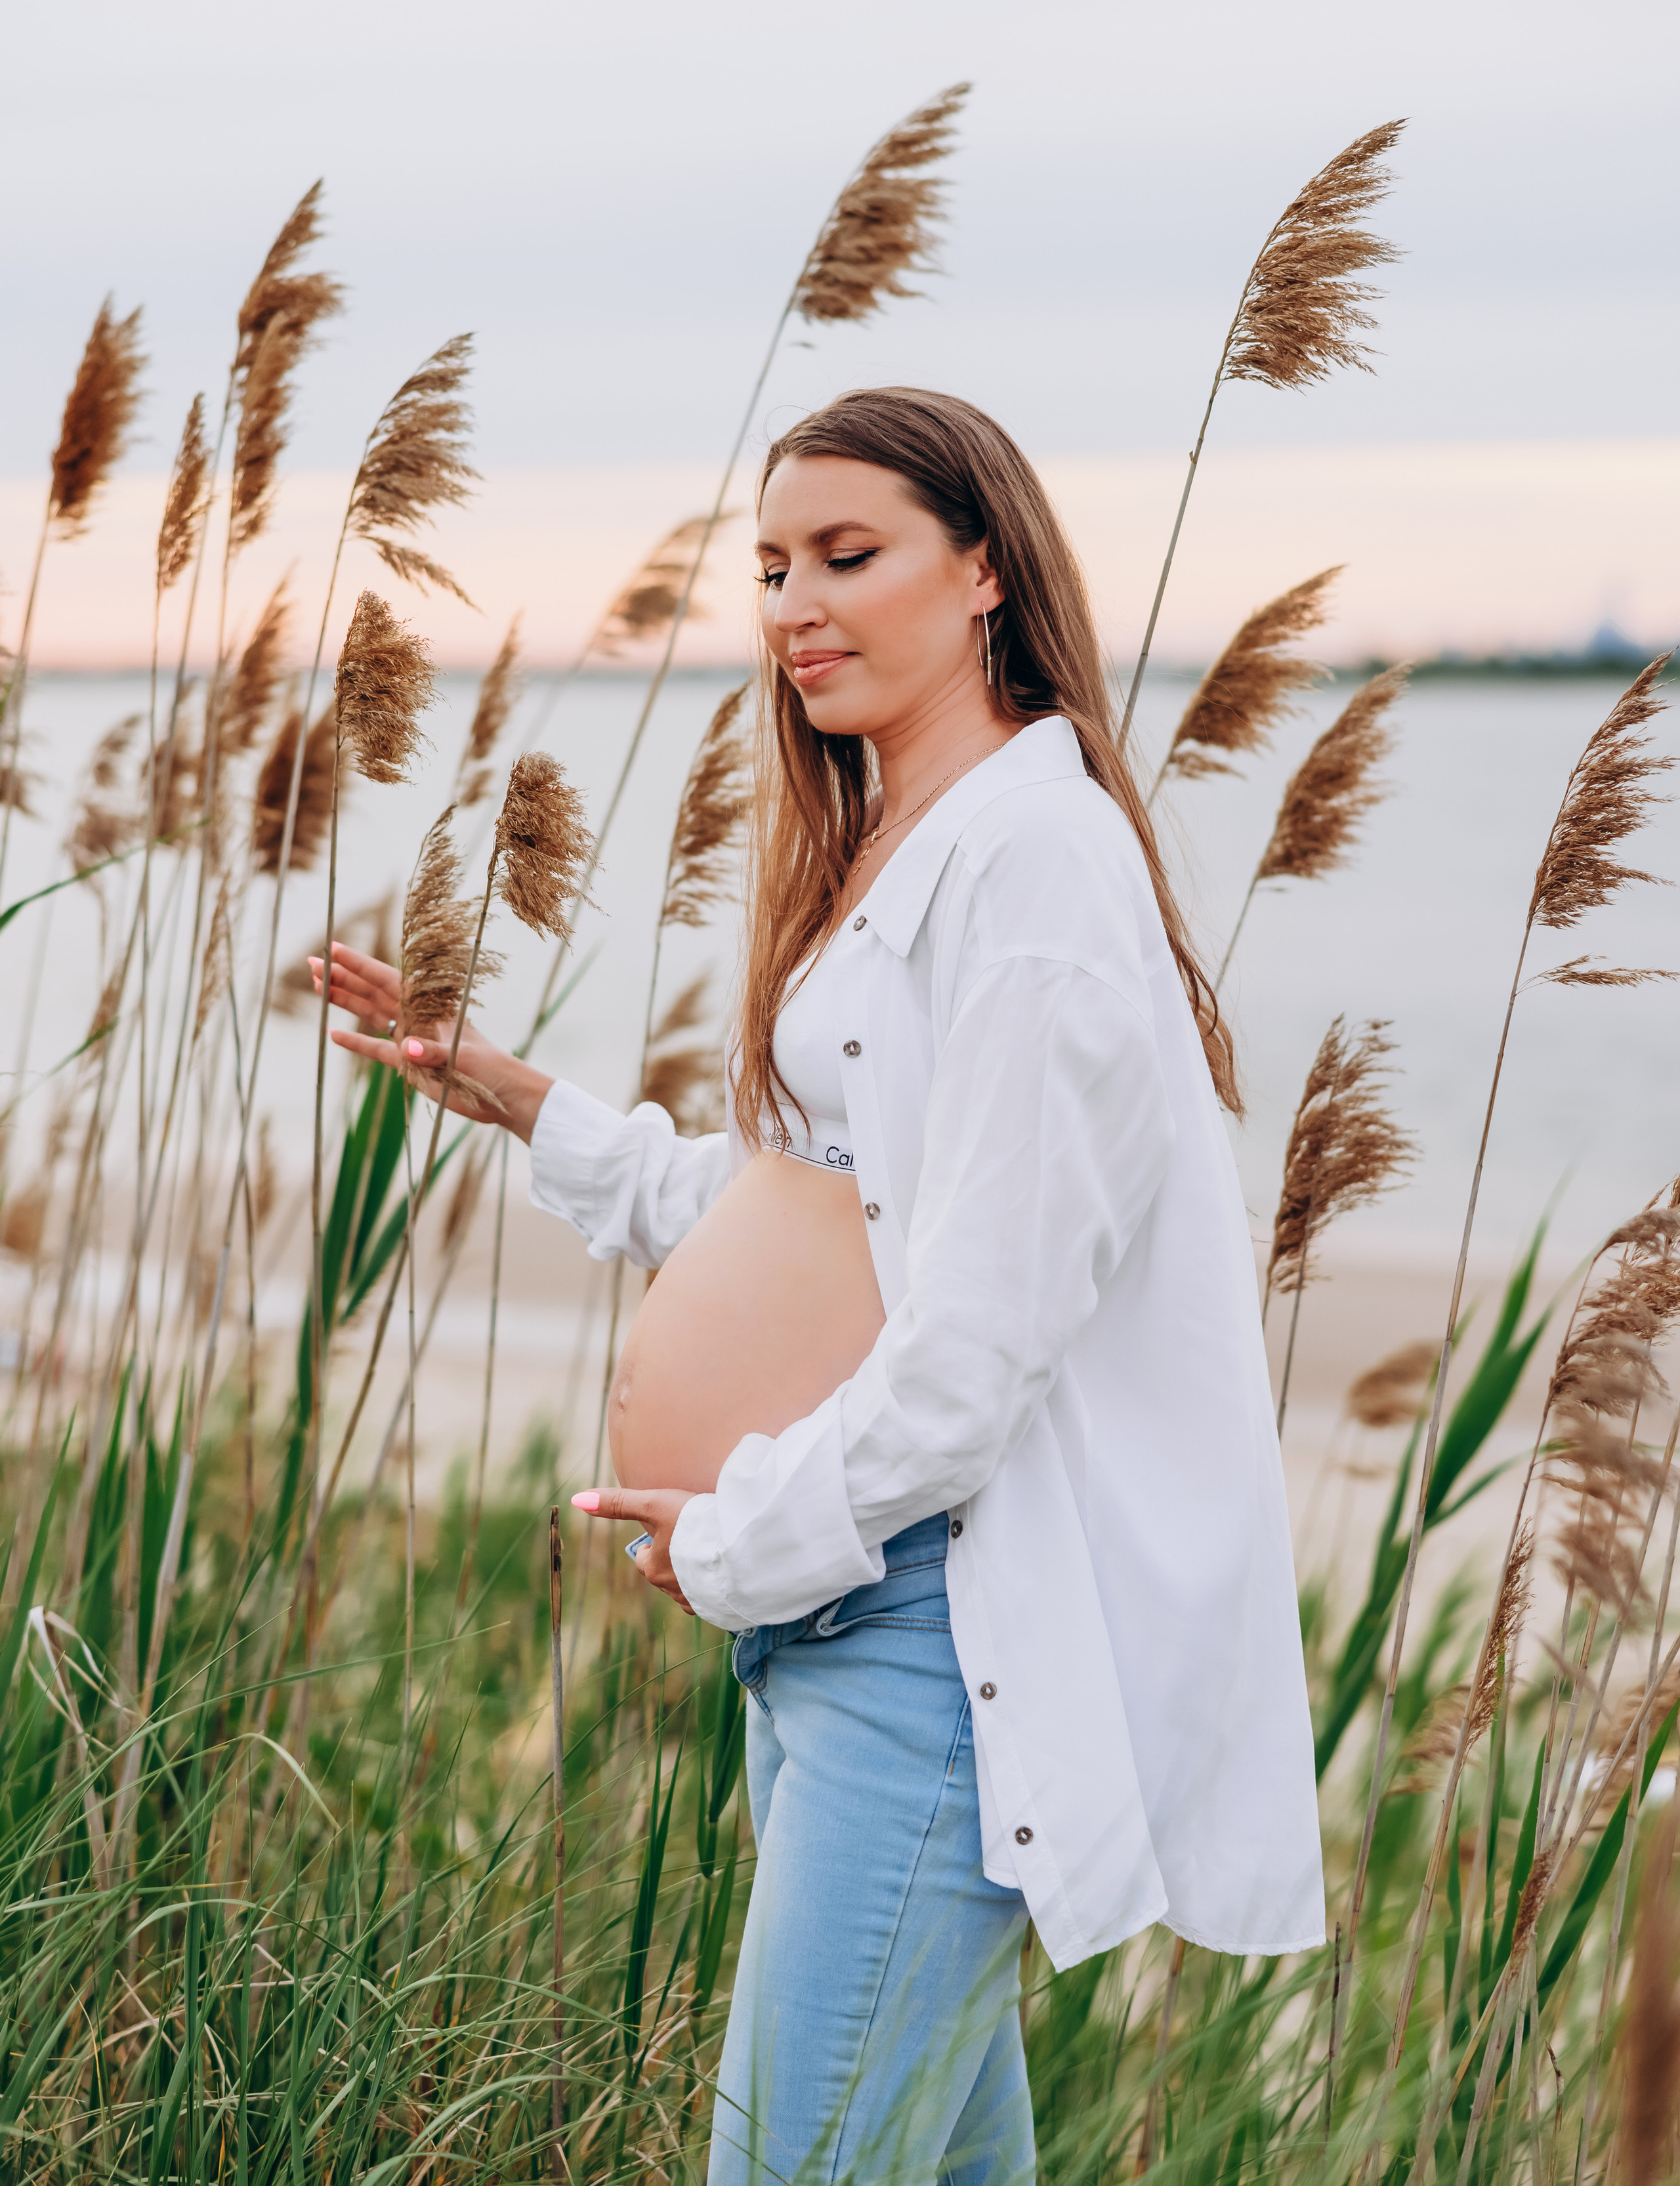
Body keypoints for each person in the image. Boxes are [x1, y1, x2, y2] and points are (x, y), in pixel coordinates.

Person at [314, 387, 1324, 2185]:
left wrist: (736, 1536)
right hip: (848, 1639)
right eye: (772, 565)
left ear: (987, 571)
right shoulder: (908, 846)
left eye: (851, 556)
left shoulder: (1029, 870)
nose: (796, 604)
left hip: (934, 1647)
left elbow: (976, 1355)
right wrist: (528, 1101)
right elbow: (839, 1216)